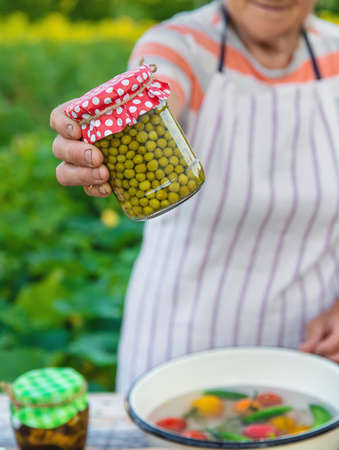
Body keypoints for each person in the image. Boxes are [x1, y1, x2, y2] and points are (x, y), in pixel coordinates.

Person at [50, 0, 339, 393]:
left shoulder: (334, 52)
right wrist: (116, 126)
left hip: (307, 360)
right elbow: (158, 86)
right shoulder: (179, 45)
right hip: (181, 350)